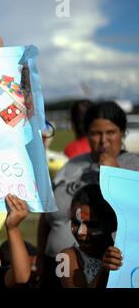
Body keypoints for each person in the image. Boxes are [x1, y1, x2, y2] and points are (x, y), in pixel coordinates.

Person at [37, 101, 139, 288]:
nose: (102, 141)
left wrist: (116, 173)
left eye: (110, 133)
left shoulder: (134, 165)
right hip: (60, 262)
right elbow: (47, 214)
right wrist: (41, 258)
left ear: (123, 132)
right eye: (95, 133)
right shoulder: (72, 165)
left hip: (110, 266)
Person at [59, 184, 122, 288]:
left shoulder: (127, 253)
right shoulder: (65, 258)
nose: (80, 232)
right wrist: (104, 270)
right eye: (75, 223)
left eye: (91, 224)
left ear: (112, 224)